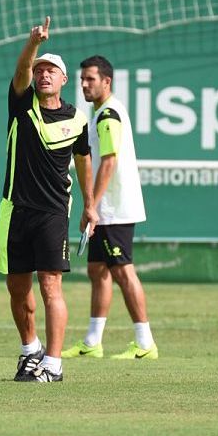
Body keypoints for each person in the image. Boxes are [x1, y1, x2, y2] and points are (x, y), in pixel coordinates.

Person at [0, 16, 98, 383]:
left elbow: (84, 161)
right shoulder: (22, 105)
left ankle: (53, 364)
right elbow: (23, 66)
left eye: (51, 71)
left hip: (53, 213)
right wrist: (33, 43)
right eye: (40, 70)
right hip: (13, 211)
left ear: (63, 79)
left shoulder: (77, 119)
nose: (43, 75)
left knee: (51, 285)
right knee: (17, 288)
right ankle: (30, 351)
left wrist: (90, 204)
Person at [62, 55, 158, 360]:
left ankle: (145, 343)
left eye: (91, 79)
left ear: (107, 81)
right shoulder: (101, 112)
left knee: (122, 272)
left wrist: (92, 204)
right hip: (107, 208)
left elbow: (110, 161)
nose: (85, 84)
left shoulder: (108, 115)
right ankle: (93, 342)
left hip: (114, 208)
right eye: (82, 79)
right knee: (97, 270)